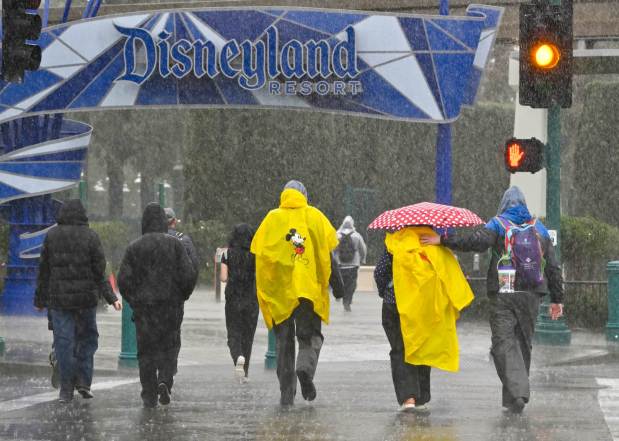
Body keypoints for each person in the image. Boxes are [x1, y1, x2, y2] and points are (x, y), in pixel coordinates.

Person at [421, 186, 564, 414]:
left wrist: (443, 239)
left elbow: (475, 241)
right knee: (523, 344)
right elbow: (554, 268)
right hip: (531, 294)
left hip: (503, 292)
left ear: (504, 204)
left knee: (502, 343)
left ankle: (517, 393)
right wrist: (558, 298)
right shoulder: (539, 228)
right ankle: (515, 398)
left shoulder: (498, 224)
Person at [251, 180, 342, 406]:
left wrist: (265, 289)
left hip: (280, 292)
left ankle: (286, 392)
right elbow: (327, 256)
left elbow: (262, 258)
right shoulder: (315, 217)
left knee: (283, 341)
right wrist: (338, 286)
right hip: (307, 290)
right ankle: (305, 369)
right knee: (309, 336)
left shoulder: (271, 219)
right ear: (304, 195)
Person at [374, 226, 474, 412]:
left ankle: (408, 397)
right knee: (421, 347)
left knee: (400, 349)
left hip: (395, 305)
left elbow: (379, 273)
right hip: (425, 307)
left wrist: (386, 291)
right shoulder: (434, 243)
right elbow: (450, 275)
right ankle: (421, 396)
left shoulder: (395, 243)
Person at [34, 199, 122, 403]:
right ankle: (83, 381)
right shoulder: (91, 236)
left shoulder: (52, 236)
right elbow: (99, 271)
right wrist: (111, 298)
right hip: (86, 301)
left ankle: (66, 388)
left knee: (64, 343)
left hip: (60, 301)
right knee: (87, 340)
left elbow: (44, 271)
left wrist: (39, 300)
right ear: (83, 215)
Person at [118, 203, 197, 408]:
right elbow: (189, 276)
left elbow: (123, 280)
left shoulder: (134, 247)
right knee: (169, 347)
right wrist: (181, 296)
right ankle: (165, 380)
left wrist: (135, 300)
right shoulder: (175, 245)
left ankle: (149, 394)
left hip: (145, 309)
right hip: (171, 307)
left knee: (146, 352)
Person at [220, 223, 259, 383]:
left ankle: (238, 357)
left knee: (233, 334)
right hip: (250, 298)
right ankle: (246, 373)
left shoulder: (227, 254)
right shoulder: (255, 254)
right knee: (248, 337)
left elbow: (223, 277)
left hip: (233, 298)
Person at [334, 216, 367, 312]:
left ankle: (340, 295)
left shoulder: (337, 235)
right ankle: (347, 301)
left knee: (341, 282)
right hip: (353, 265)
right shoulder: (356, 235)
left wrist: (333, 261)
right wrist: (363, 259)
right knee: (351, 284)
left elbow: (332, 249)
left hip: (340, 265)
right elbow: (363, 248)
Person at [165, 207, 199, 271]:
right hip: (179, 279)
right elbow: (194, 264)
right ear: (175, 221)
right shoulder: (184, 239)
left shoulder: (152, 241)